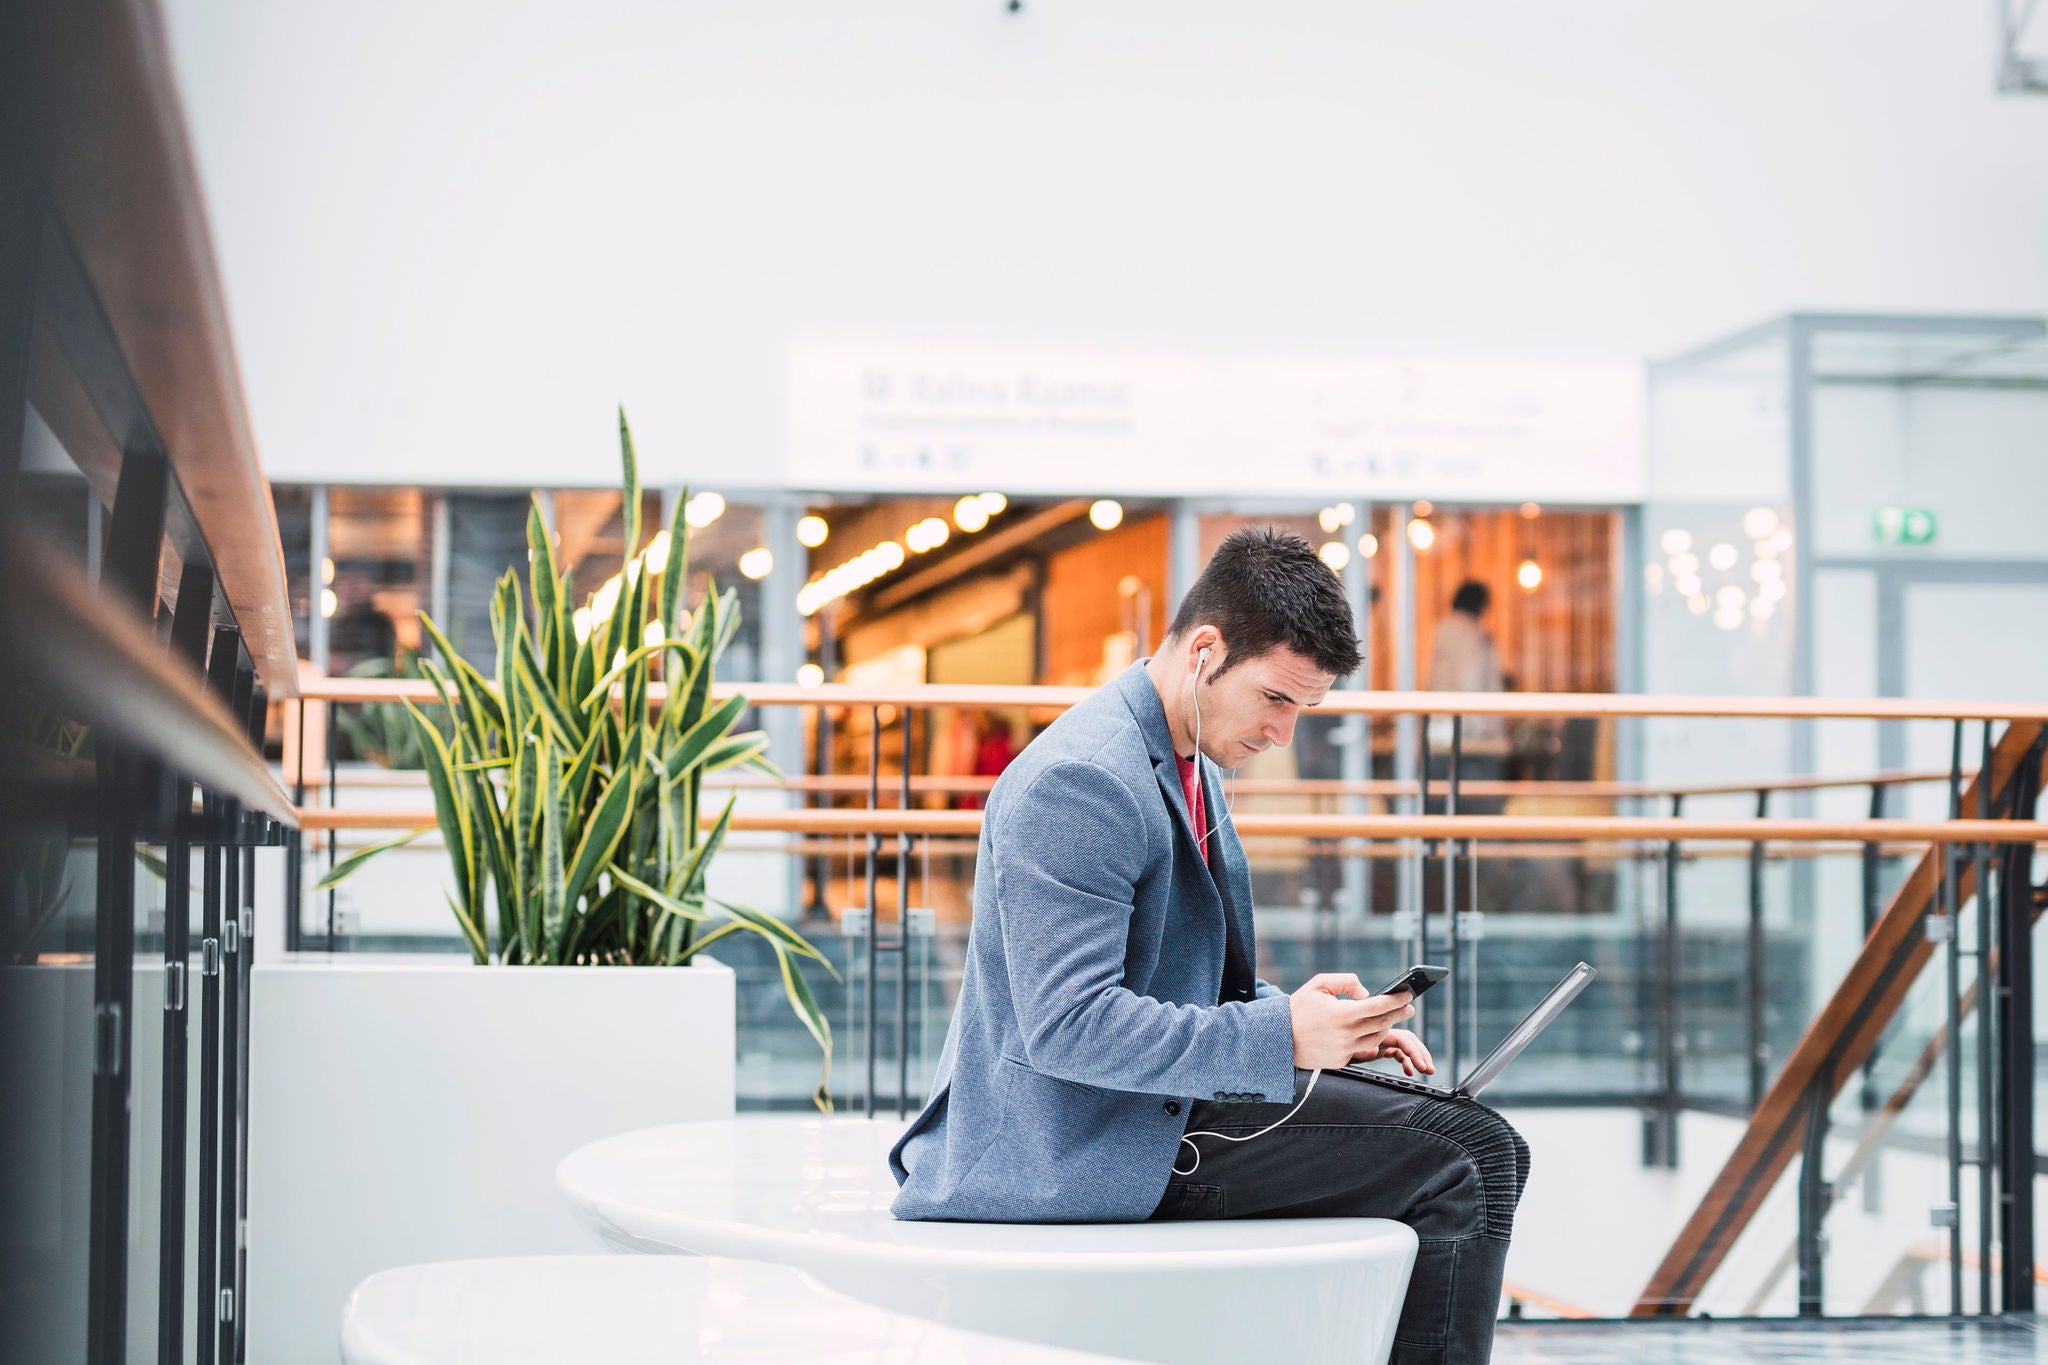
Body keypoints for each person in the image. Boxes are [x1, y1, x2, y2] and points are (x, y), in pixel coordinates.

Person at [891, 528, 1529, 1365]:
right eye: (1274, 698)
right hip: (1077, 1141)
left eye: (1302, 708)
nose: (1282, 733)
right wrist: (1282, 1039)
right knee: (1469, 1156)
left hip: (1148, 1109)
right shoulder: (1081, 780)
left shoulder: (1186, 757)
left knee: (1484, 1141)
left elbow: (1184, 983)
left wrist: (1318, 1026)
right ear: (1204, 651)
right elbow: (1068, 1025)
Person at [1427, 578, 1507, 815]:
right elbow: (1470, 686)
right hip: (1472, 740)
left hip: (1439, 733)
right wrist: (1483, 730)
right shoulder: (1472, 636)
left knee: (1439, 806)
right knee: (1477, 809)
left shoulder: (1441, 632)